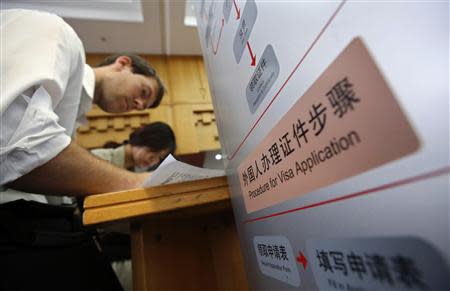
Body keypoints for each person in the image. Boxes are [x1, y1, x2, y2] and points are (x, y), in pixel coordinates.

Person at [0, 9, 165, 291]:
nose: (138, 105)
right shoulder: (58, 34)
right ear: (123, 64)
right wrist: (135, 185)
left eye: (144, 106)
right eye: (143, 92)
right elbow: (11, 140)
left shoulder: (72, 122)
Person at [91, 122, 176, 172]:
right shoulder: (98, 158)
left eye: (160, 158)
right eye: (155, 151)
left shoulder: (140, 175)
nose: (154, 160)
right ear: (144, 138)